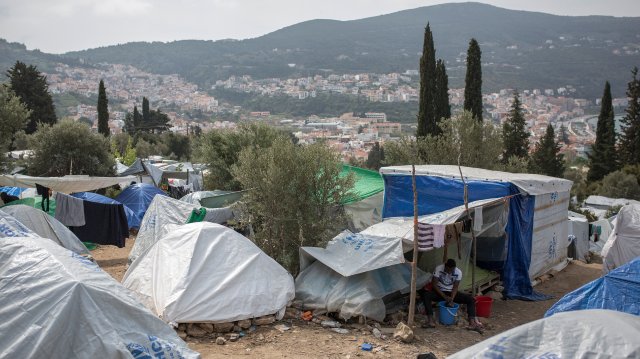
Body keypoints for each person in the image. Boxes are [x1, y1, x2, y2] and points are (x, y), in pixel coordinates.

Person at [418, 258, 483, 332]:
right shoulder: (439, 268)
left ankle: (472, 323)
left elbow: (455, 287)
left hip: (451, 293)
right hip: (439, 292)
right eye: (447, 270)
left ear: (454, 268)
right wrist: (444, 296)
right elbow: (434, 284)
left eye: (451, 270)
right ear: (445, 266)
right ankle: (430, 321)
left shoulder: (458, 272)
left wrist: (451, 298)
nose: (449, 272)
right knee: (426, 295)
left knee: (470, 299)